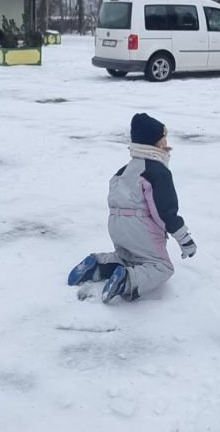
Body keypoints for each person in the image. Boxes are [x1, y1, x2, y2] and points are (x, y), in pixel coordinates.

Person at [67, 113, 196, 304]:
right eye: (164, 136)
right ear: (156, 142)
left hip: (116, 224)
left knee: (129, 258)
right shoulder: (157, 172)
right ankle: (128, 281)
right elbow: (165, 211)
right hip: (140, 227)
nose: (167, 141)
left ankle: (98, 265)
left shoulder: (123, 170)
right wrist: (185, 240)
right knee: (161, 267)